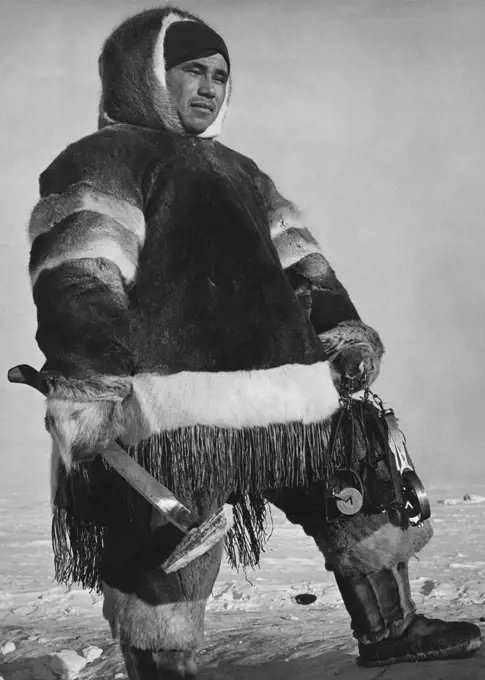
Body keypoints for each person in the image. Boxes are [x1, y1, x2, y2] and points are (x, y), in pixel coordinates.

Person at [26, 6, 481, 679]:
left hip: (290, 392)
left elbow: (305, 265)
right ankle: (163, 669)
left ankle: (391, 629)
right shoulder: (101, 160)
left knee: (357, 495)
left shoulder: (242, 173)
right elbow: (81, 277)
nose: (209, 87)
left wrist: (342, 335)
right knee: (167, 551)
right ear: (143, 76)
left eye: (220, 76)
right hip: (177, 411)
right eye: (191, 72)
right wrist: (89, 382)